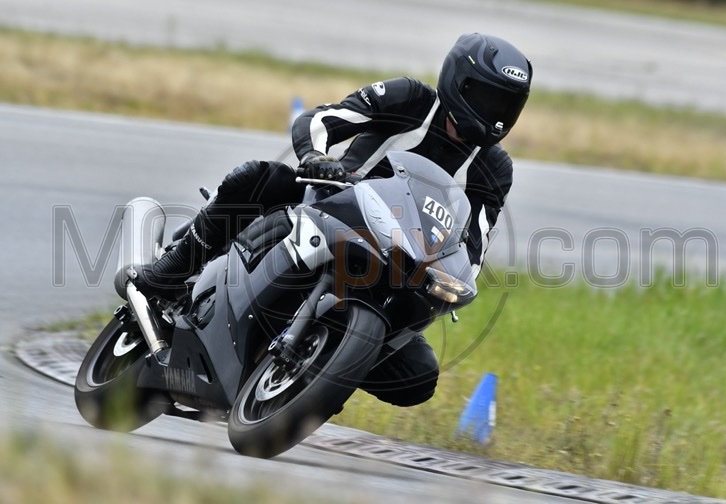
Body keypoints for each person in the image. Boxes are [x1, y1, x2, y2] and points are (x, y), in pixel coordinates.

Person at [134, 33, 532, 407]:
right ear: (459, 82)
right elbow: (322, 120)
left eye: (507, 106)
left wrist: (453, 281)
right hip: (332, 206)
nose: (496, 115)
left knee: (418, 377)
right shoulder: (410, 99)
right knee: (257, 178)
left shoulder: (495, 169)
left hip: (398, 266)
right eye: (489, 99)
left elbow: (473, 249)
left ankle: (315, 380)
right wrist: (317, 157)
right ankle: (168, 272)